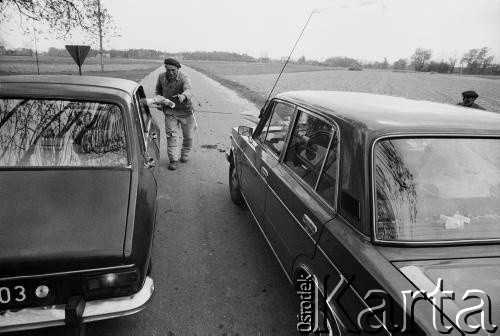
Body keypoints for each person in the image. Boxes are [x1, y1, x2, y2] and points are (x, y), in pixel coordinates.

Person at [155, 57, 195, 170]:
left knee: (189, 137)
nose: (170, 72)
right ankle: (173, 160)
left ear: (178, 69)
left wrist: (183, 96)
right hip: (170, 111)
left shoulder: (184, 77)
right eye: (168, 69)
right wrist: (159, 100)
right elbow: (158, 90)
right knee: (172, 136)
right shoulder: (161, 77)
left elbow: (189, 89)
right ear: (165, 68)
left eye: (173, 70)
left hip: (186, 111)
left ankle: (185, 153)